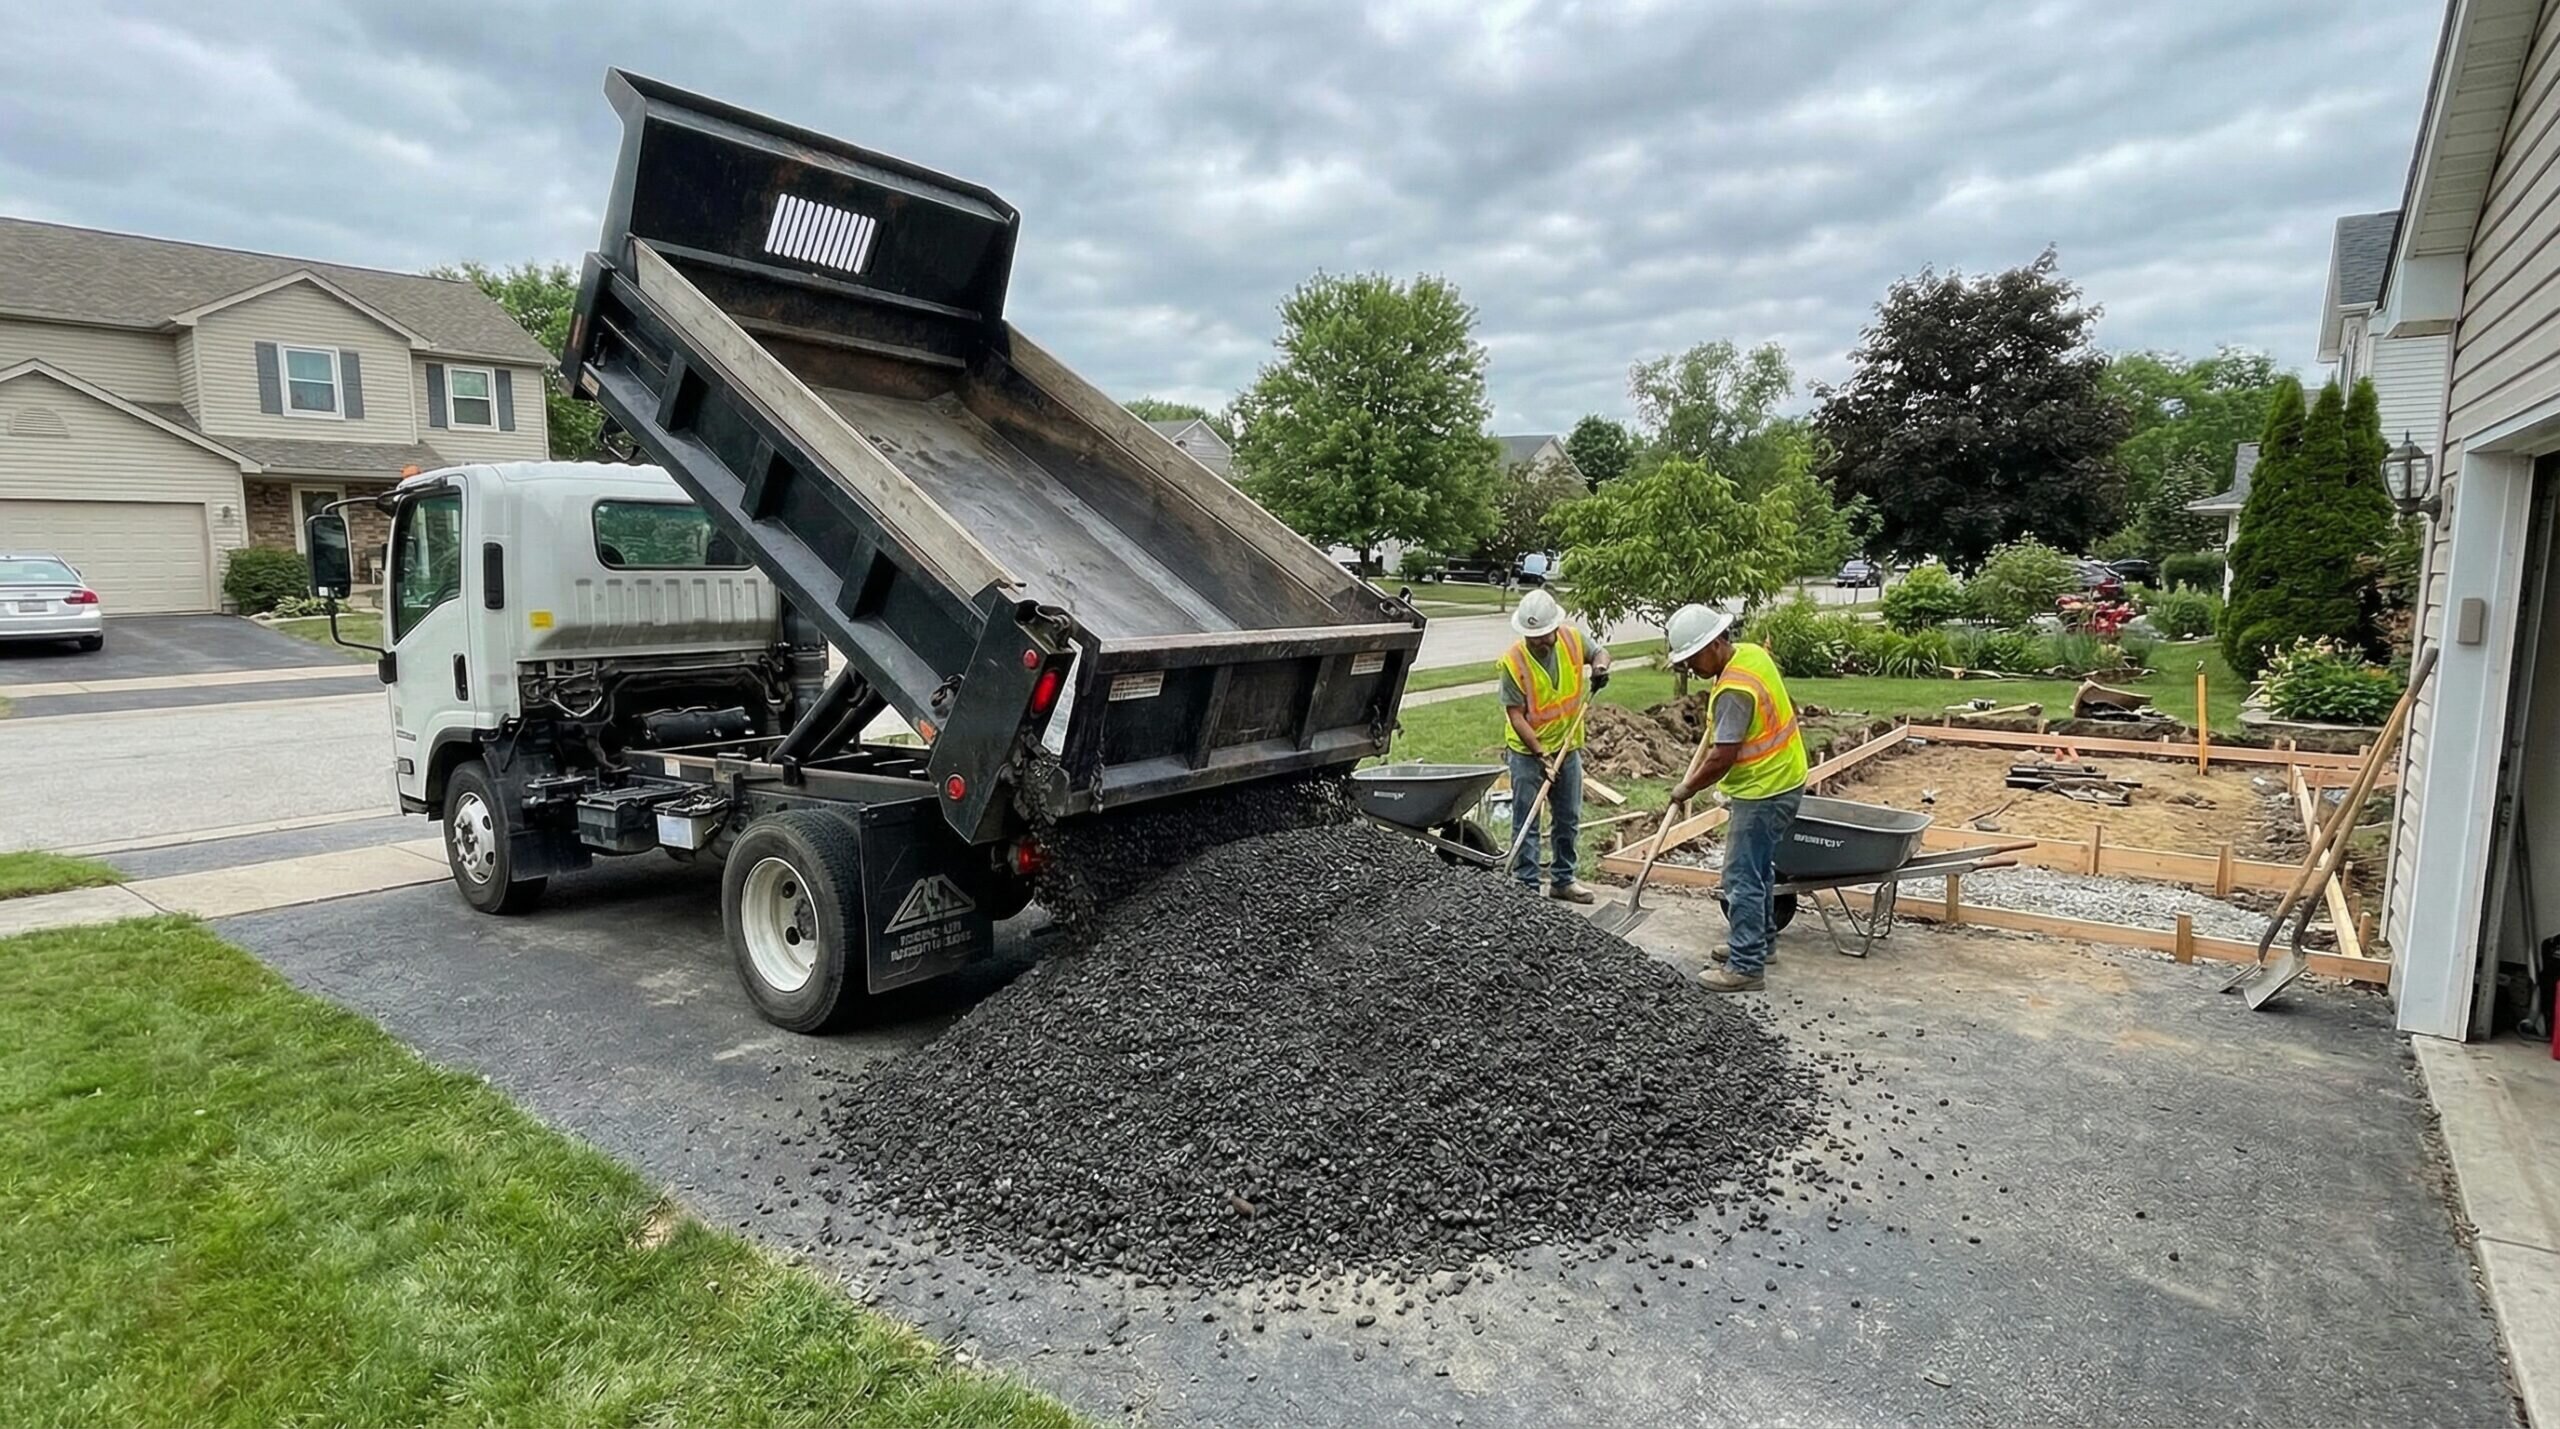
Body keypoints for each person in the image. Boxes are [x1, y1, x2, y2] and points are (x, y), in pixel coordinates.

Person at [1662, 604, 1808, 991]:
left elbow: (1722, 756)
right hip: (1783, 779)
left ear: (1713, 644)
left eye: (1693, 659)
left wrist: (1687, 787)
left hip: (1764, 789)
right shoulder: (1750, 655)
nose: (1691, 668)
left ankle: (1745, 966)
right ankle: (1760, 943)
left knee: (1741, 876)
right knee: (1758, 870)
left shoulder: (1734, 690)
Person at [1498, 588, 1610, 902]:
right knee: (1527, 820)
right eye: (1532, 636)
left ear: (1554, 628)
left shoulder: (1573, 640)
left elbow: (1599, 653)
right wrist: (1541, 754)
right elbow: (1516, 717)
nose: (1539, 642)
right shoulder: (1513, 662)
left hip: (1568, 746)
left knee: (1568, 816)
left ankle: (1563, 879)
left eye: (1544, 635)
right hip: (1527, 752)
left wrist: (1600, 668)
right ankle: (1528, 888)